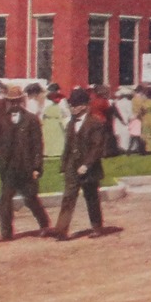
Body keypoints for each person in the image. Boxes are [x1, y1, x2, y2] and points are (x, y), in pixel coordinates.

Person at [0, 83, 50, 242]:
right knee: (4, 200)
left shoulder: (31, 119)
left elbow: (38, 145)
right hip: (9, 168)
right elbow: (0, 143)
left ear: (22, 101)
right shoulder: (3, 120)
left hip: (26, 167)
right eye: (11, 101)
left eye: (17, 101)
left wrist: (37, 167)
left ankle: (45, 225)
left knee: (30, 198)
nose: (14, 104)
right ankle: (6, 233)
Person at [51, 87, 110, 241]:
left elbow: (97, 147)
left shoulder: (95, 123)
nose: (72, 108)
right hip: (72, 165)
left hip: (88, 167)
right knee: (68, 196)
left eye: (75, 105)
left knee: (91, 197)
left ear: (84, 106)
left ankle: (97, 226)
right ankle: (61, 230)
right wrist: (64, 165)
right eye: (70, 105)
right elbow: (68, 146)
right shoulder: (71, 123)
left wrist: (87, 164)